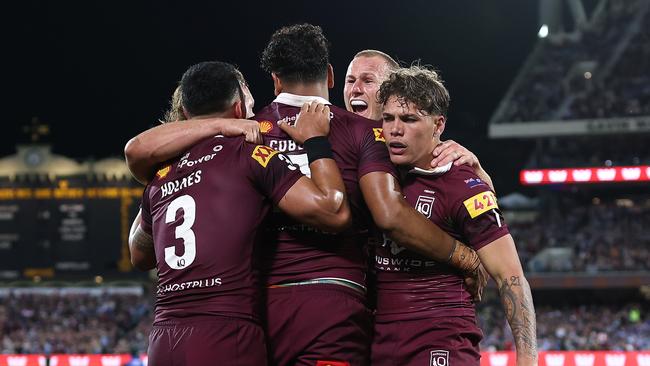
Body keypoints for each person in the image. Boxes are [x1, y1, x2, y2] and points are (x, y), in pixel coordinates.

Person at [124, 24, 486, 366]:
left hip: (258, 310)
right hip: (333, 306)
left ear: (275, 80)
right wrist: (465, 254)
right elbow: (387, 213)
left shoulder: (243, 135)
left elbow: (143, 234)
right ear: (329, 76)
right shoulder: (364, 132)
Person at [128, 60, 352, 366]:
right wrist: (315, 141)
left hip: (163, 339)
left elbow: (139, 255)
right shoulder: (251, 155)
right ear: (238, 110)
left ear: (183, 115)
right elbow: (333, 210)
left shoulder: (160, 176)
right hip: (226, 333)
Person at [372, 65, 537, 366]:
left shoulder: (463, 183)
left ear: (438, 125)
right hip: (379, 343)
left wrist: (527, 359)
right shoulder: (375, 176)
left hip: (440, 342)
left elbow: (510, 276)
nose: (395, 129)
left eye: (409, 119)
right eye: (388, 118)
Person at [343, 50, 495, 188]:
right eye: (350, 81)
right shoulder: (334, 141)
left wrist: (478, 173)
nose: (355, 89)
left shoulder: (438, 158)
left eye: (368, 81)